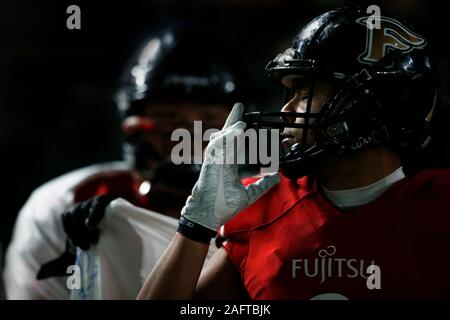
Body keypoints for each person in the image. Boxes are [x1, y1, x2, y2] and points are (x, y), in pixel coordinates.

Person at [137, 7, 450, 300]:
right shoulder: (263, 206)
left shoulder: (439, 206)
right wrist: (196, 224)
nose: (287, 110)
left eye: (305, 91)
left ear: (373, 105)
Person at [3, 27, 236, 299]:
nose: (188, 134)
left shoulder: (268, 204)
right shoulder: (64, 203)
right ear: (131, 125)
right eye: (167, 116)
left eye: (208, 118)